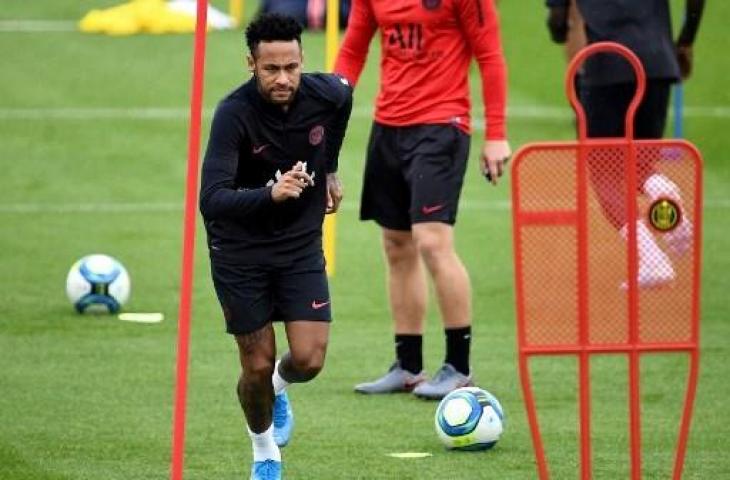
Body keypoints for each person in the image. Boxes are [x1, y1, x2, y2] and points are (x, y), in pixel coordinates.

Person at [199, 13, 352, 480]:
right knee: (256, 363)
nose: (283, 78)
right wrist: (271, 193)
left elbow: (343, 104)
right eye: (271, 69)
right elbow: (212, 199)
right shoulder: (233, 114)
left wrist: (328, 169)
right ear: (251, 64)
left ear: (302, 61)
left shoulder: (330, 92)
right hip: (239, 253)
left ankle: (280, 389)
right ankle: (264, 450)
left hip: (298, 246)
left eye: (291, 67)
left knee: (308, 359)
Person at [334, 0, 511, 399]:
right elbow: (353, 50)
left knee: (432, 241)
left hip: (441, 127)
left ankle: (459, 367)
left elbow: (490, 56)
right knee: (396, 245)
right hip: (389, 127)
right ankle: (409, 366)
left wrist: (496, 133)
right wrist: (327, 107)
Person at [546, 0, 705, 287]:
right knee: (639, 162)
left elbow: (558, 22)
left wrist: (558, 22)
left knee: (603, 171)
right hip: (657, 60)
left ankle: (651, 259)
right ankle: (659, 186)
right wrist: (685, 40)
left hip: (607, 64)